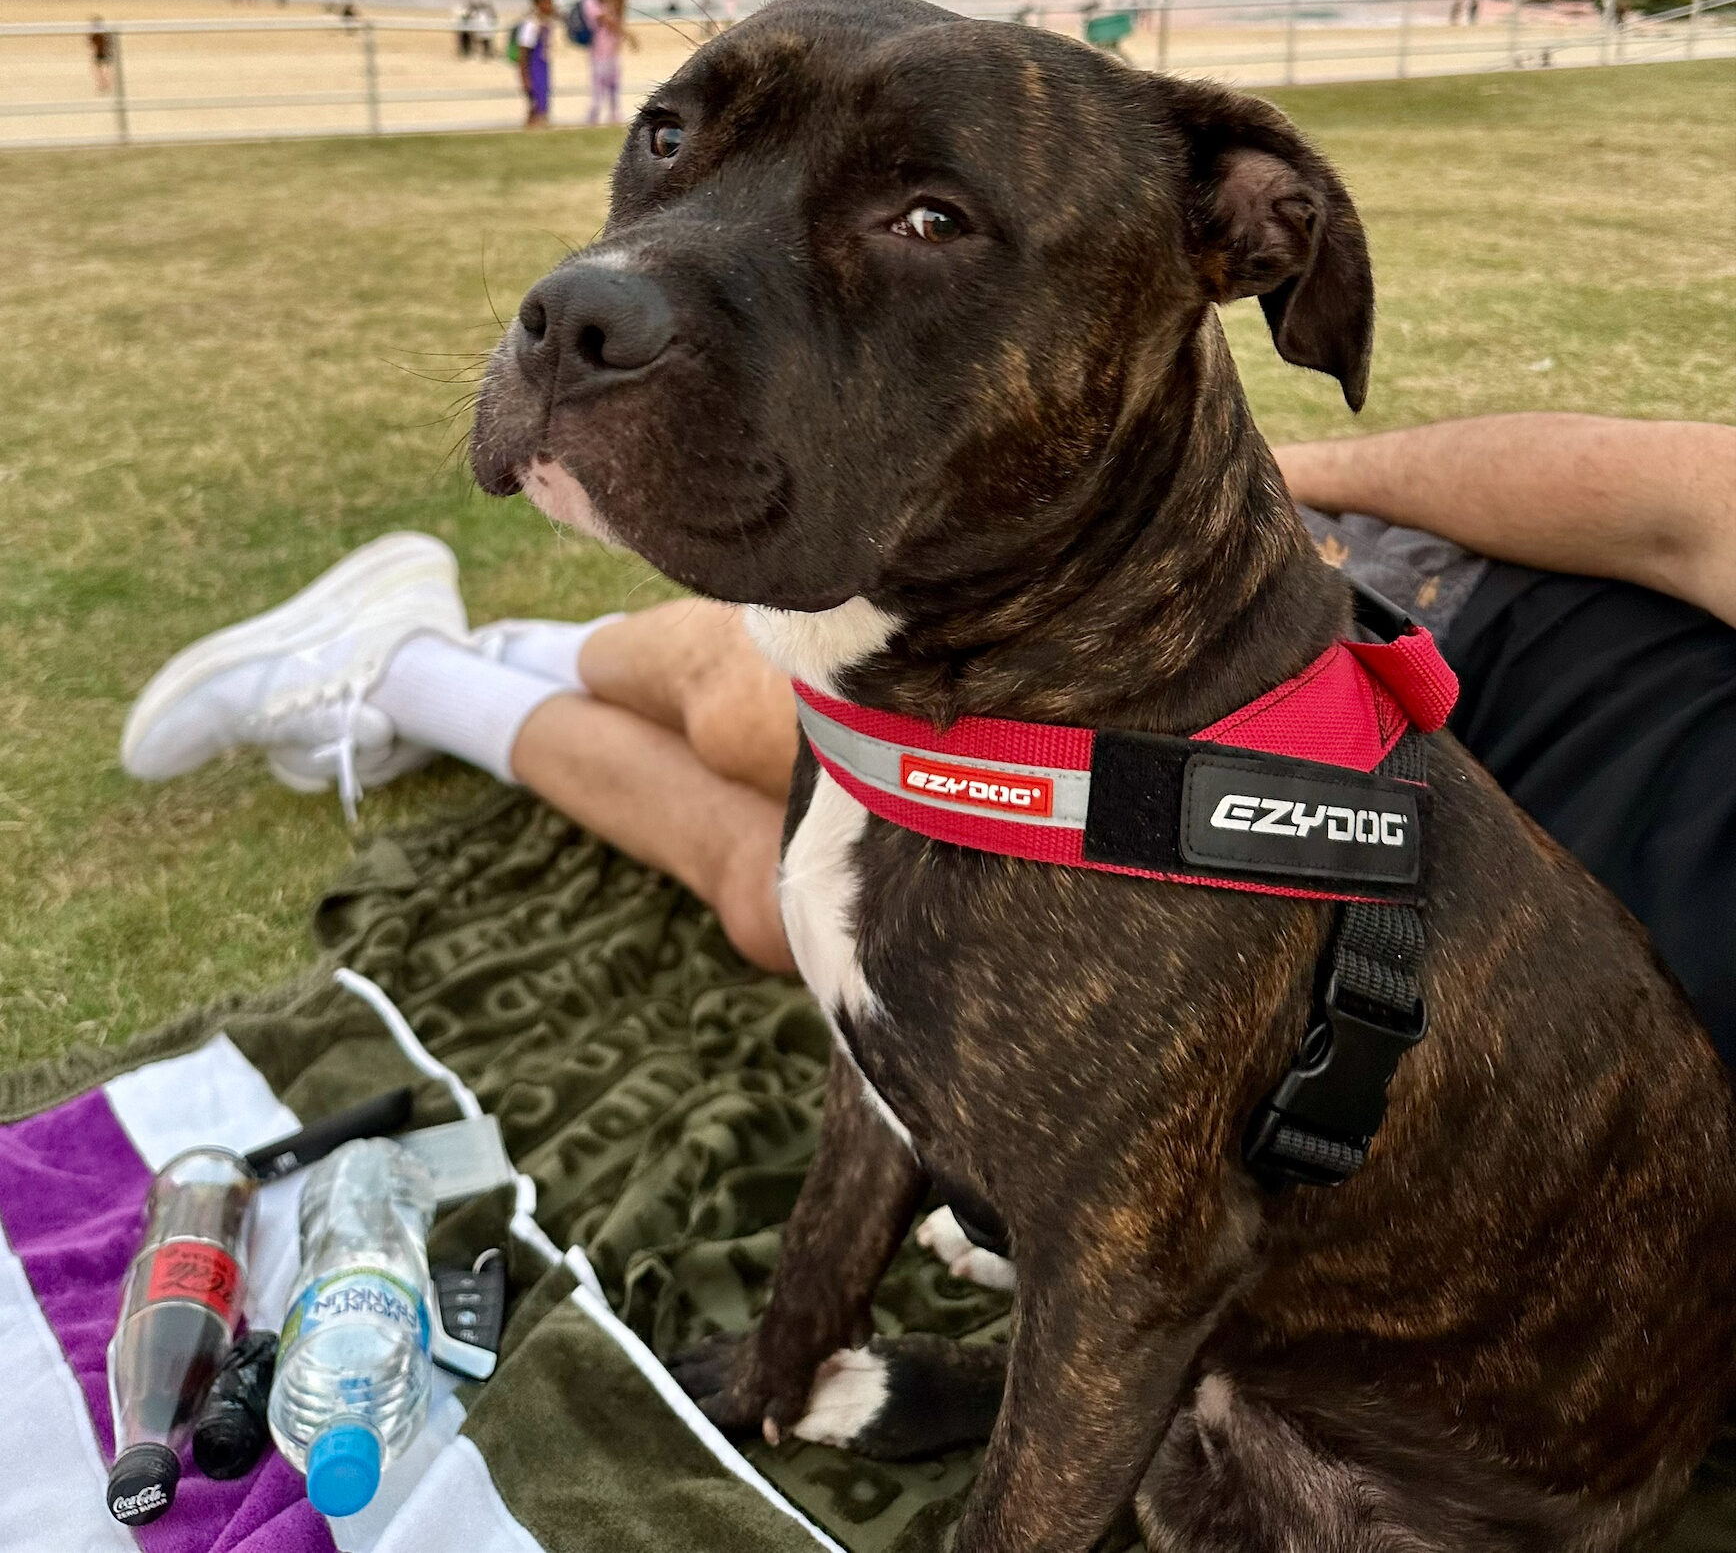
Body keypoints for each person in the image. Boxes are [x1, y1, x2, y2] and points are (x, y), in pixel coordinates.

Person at [119, 414, 1736, 1053]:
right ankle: (480, 646)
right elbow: (1687, 506)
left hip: (1371, 965)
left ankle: (406, 666)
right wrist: (1279, 477)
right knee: (774, 714)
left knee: (793, 908)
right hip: (1406, 666)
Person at [513, 0, 557, 128]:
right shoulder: (531, 24)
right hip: (534, 68)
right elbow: (523, 52)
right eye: (547, 2)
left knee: (542, 103)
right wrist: (525, 77)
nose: (550, 6)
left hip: (543, 66)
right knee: (535, 104)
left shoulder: (546, 22)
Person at [87, 16, 113, 94]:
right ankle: (105, 83)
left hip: (100, 53)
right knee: (104, 69)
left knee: (100, 69)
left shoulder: (95, 34)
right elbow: (110, 42)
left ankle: (103, 83)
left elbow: (91, 43)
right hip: (104, 53)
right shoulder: (105, 33)